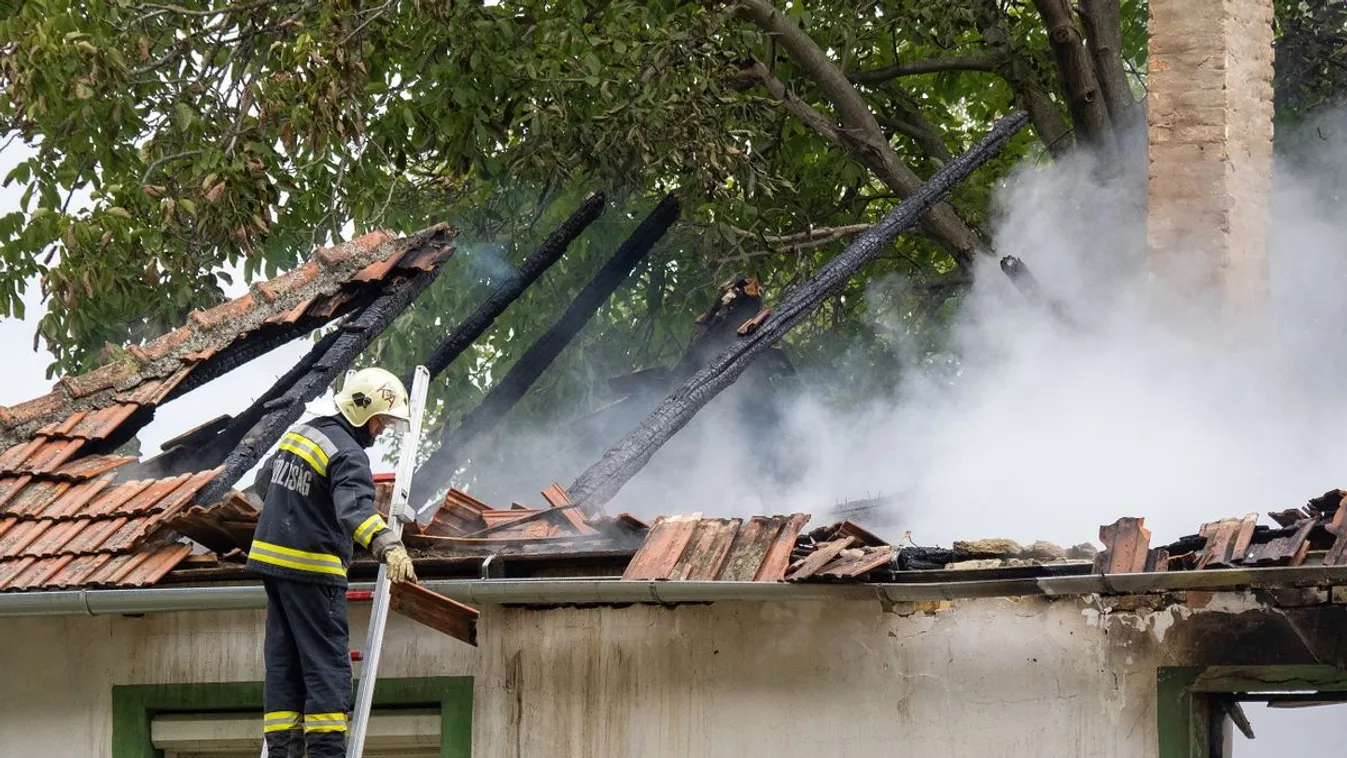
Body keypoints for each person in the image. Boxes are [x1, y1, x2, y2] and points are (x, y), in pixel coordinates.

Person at [246, 367, 420, 758]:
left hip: (273, 568)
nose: (381, 430)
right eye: (381, 420)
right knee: (326, 667)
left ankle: (283, 752)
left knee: (285, 666)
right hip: (313, 570)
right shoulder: (349, 454)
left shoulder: (301, 434)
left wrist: (298, 511)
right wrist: (389, 546)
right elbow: (354, 508)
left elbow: (264, 483)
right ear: (364, 409)